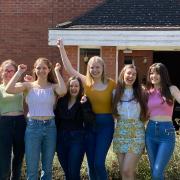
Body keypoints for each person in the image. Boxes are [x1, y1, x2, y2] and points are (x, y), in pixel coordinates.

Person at [57, 39, 116, 180]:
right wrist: (61, 48)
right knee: (90, 164)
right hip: (89, 125)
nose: (94, 70)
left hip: (106, 125)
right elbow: (70, 69)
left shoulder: (112, 84)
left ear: (102, 68)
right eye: (91, 67)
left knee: (98, 163)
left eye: (97, 67)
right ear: (88, 69)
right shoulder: (86, 82)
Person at [5, 57, 67, 180]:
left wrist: (57, 71)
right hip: (33, 127)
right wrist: (19, 72)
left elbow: (63, 91)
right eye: (38, 68)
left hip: (50, 128)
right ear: (34, 69)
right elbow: (9, 89)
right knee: (32, 170)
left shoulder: (53, 87)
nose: (41, 70)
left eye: (44, 68)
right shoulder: (28, 86)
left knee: (47, 169)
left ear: (49, 70)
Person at [55, 76, 95, 180]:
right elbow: (56, 121)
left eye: (76, 86)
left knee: (73, 173)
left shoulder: (84, 100)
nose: (73, 88)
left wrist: (85, 106)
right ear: (68, 87)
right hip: (61, 139)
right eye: (71, 86)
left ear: (80, 87)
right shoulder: (61, 101)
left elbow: (89, 121)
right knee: (67, 173)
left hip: (77, 140)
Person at [145, 63, 180, 180]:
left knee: (157, 172)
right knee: (155, 171)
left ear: (163, 74)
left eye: (157, 73)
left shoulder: (172, 89)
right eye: (151, 73)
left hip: (166, 133)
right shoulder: (148, 93)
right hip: (150, 132)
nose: (153, 75)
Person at [112, 64, 147, 180]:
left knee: (127, 170)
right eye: (128, 73)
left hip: (137, 133)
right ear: (123, 74)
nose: (131, 76)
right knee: (124, 173)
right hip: (120, 132)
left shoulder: (142, 92)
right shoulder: (115, 93)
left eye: (134, 74)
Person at [0, 60, 26, 180]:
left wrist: (30, 81)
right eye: (6, 70)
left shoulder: (20, 87)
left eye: (11, 71)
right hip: (4, 123)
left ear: (15, 72)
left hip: (20, 122)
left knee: (19, 156)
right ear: (1, 72)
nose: (8, 73)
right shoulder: (0, 88)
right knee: (4, 158)